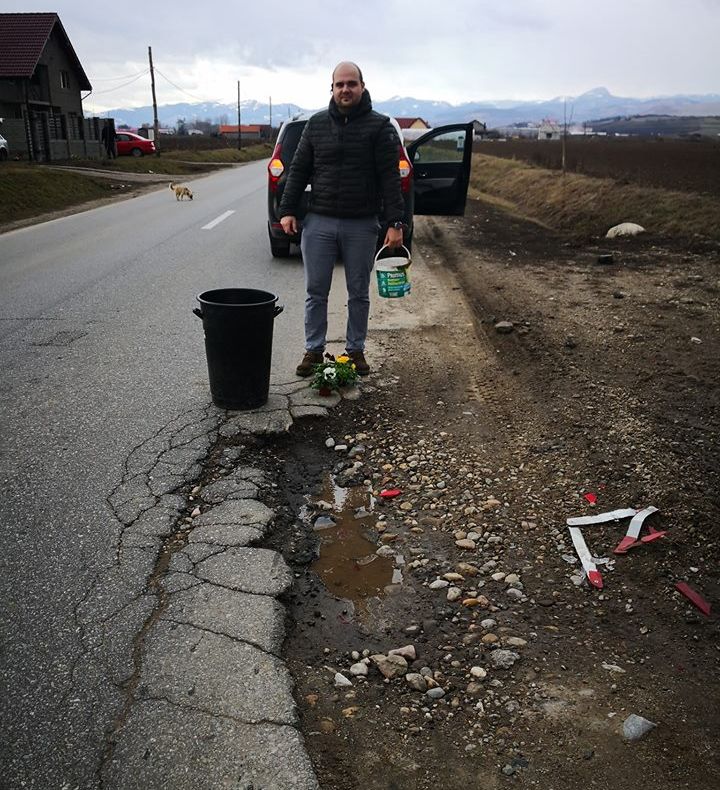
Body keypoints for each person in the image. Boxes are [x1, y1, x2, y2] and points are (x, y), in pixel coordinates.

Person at [279, 61, 405, 377]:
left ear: (362, 86)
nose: (345, 89)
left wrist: (395, 222)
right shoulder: (317, 124)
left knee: (359, 292)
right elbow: (298, 169)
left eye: (351, 83)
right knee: (315, 292)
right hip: (319, 221)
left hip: (361, 224)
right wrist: (288, 209)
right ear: (332, 89)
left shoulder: (380, 127)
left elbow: (390, 178)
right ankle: (313, 350)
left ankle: (355, 351)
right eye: (339, 84)